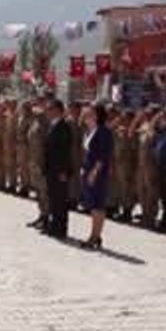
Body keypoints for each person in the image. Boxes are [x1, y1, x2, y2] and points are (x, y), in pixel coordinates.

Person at [80, 104, 113, 249]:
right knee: (92, 205)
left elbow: (103, 155)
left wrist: (94, 172)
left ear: (97, 115)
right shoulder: (89, 131)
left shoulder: (103, 131)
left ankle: (94, 236)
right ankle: (95, 235)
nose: (86, 114)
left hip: (98, 173)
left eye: (90, 112)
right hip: (88, 170)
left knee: (97, 205)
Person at [43, 99, 74, 239]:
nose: (47, 111)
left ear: (57, 110)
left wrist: (64, 171)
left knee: (60, 200)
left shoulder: (64, 127)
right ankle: (54, 225)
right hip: (51, 169)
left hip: (60, 170)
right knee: (53, 199)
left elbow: (65, 152)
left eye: (50, 108)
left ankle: (61, 229)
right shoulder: (52, 125)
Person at [135, 109, 160, 229]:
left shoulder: (155, 128)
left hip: (151, 164)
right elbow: (131, 132)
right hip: (141, 164)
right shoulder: (144, 126)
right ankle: (145, 214)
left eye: (148, 114)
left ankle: (151, 217)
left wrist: (154, 120)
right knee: (142, 191)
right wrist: (137, 120)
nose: (145, 115)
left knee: (151, 193)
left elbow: (152, 136)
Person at [26, 99, 49, 228]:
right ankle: (41, 215)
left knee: (44, 192)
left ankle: (46, 217)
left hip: (41, 162)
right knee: (38, 191)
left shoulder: (44, 124)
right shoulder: (34, 123)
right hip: (33, 160)